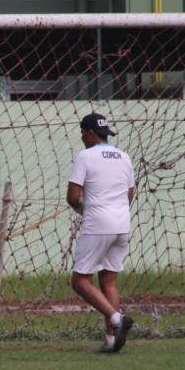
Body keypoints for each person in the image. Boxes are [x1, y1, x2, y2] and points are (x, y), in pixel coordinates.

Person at [66, 113, 136, 353]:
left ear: (89, 133)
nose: (82, 139)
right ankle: (111, 340)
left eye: (83, 135)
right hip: (122, 224)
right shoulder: (124, 157)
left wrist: (83, 210)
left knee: (80, 280)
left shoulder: (84, 156)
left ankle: (117, 320)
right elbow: (129, 193)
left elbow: (73, 197)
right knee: (109, 281)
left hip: (98, 225)